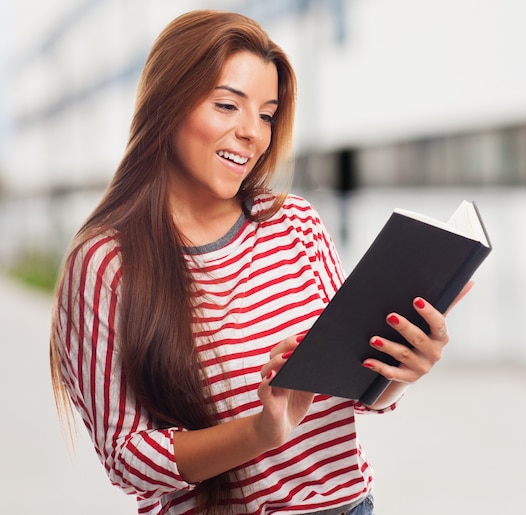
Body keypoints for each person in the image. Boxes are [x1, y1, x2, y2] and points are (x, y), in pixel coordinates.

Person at [50, 10, 471, 515]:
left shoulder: (295, 223)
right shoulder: (105, 263)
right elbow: (127, 460)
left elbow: (360, 394)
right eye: (228, 105)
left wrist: (403, 368)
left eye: (267, 114)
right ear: (167, 105)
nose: (252, 132)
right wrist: (259, 432)